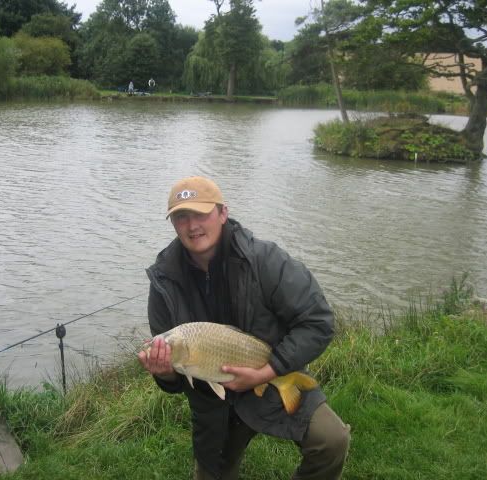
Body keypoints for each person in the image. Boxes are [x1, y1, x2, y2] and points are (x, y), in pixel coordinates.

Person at [138, 176, 350, 480]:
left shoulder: (264, 259)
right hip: (213, 404)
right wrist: (165, 372)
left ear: (223, 213)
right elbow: (174, 381)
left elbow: (318, 322)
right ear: (173, 224)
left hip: (272, 376)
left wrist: (267, 372)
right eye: (181, 217)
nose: (192, 225)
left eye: (200, 213)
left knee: (332, 441)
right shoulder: (164, 281)